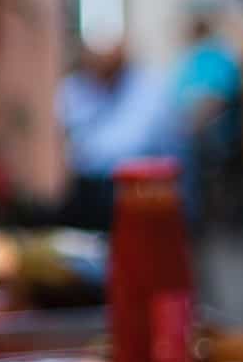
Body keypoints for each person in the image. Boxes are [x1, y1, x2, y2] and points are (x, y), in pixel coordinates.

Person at [54, 43, 180, 231]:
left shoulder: (146, 87)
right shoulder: (79, 86)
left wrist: (82, 150)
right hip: (90, 187)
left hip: (139, 189)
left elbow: (130, 146)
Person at [173, 13, 243, 224]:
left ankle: (190, 213)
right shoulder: (191, 59)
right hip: (188, 126)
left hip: (213, 132)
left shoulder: (218, 58)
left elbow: (217, 100)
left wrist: (190, 126)